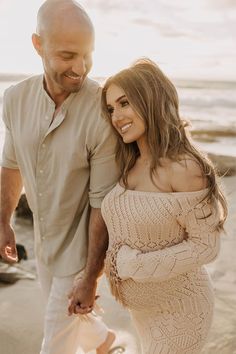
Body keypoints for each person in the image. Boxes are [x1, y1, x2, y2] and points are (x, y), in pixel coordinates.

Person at [0, 1, 120, 353]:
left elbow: (103, 204)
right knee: (69, 319)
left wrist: (90, 276)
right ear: (38, 45)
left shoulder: (102, 109)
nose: (80, 68)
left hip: (82, 248)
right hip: (44, 241)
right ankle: (104, 340)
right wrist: (4, 220)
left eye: (87, 54)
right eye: (68, 55)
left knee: (54, 342)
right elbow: (11, 164)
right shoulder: (14, 99)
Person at [99, 58, 227, 353]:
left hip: (181, 310)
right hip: (144, 312)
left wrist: (133, 265)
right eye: (110, 108)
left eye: (125, 103)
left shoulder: (184, 167)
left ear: (151, 100)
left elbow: (206, 246)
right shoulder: (130, 162)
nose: (116, 116)